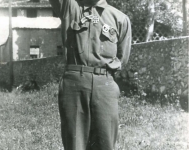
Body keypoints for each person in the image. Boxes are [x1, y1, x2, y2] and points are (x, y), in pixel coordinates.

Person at [49, 0, 132, 149]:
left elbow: (122, 57)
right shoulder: (70, 7)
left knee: (105, 141)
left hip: (105, 84)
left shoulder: (120, 18)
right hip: (74, 83)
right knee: (75, 143)